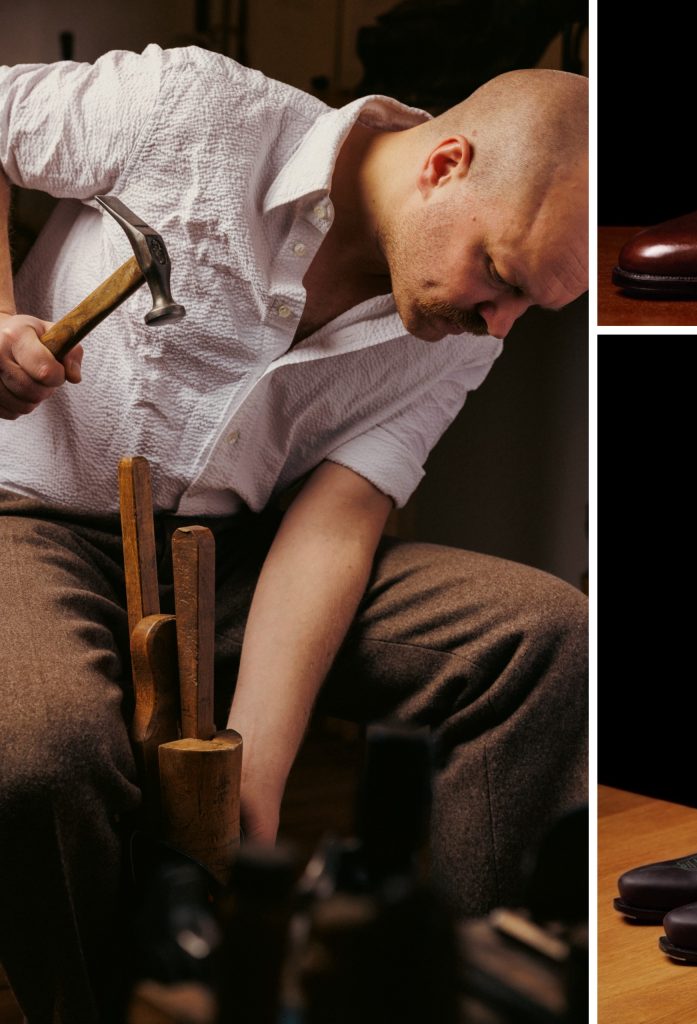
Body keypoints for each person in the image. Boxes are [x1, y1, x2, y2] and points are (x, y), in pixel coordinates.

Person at [0, 44, 587, 1021]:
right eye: (500, 276)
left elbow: (336, 522)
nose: (499, 327)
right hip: (36, 519)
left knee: (543, 636)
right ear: (443, 164)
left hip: (242, 554)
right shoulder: (180, 106)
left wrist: (250, 788)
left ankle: (466, 993)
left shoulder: (456, 325)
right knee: (39, 751)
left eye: (532, 302)